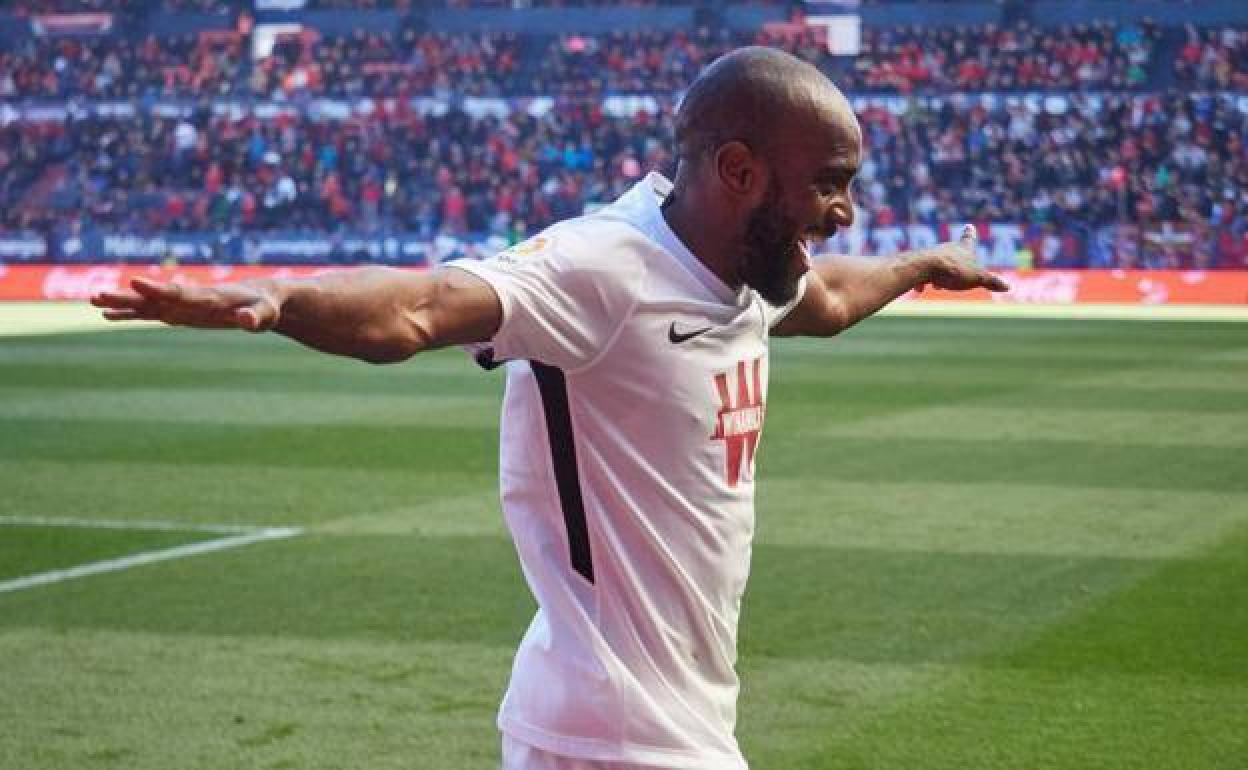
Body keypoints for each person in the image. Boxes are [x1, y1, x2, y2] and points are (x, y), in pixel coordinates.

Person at [92, 47, 1007, 770]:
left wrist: (930, 263)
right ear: (737, 170)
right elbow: (422, 305)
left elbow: (834, 299)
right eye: (828, 183)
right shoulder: (603, 266)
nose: (844, 212)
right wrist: (281, 300)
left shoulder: (744, 272)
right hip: (613, 730)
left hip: (660, 715)